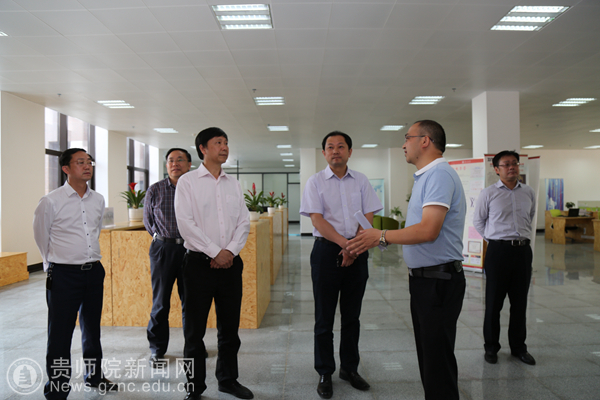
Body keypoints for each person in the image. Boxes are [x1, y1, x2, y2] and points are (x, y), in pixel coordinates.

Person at [347, 120, 466, 400]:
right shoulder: (427, 176)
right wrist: (382, 237)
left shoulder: (439, 175)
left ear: (425, 141)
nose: (403, 144)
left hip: (438, 281)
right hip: (427, 280)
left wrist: (382, 235)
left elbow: (428, 230)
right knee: (430, 358)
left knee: (437, 363)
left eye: (407, 138)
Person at [300, 131, 382, 399]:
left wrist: (354, 247)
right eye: (330, 147)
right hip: (326, 252)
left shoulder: (361, 180)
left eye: (341, 146)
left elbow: (368, 215)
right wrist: (346, 245)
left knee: (352, 317)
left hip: (358, 252)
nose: (335, 151)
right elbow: (317, 220)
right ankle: (325, 371)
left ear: (350, 151)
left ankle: (349, 368)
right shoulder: (315, 182)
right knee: (324, 318)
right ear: (324, 152)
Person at [174, 127, 253, 400]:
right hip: (197, 266)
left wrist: (229, 251)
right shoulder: (188, 182)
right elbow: (186, 224)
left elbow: (243, 222)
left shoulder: (233, 183)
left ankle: (228, 380)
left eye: (226, 142)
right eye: (218, 142)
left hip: (230, 265)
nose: (224, 147)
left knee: (229, 329)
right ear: (203, 149)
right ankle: (194, 387)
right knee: (194, 331)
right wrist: (215, 252)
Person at [33, 148, 117, 399]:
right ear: (66, 168)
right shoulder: (50, 201)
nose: (87, 166)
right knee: (60, 333)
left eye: (89, 162)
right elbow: (41, 236)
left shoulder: (98, 199)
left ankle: (94, 376)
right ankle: (58, 388)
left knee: (92, 328)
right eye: (80, 162)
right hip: (63, 275)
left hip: (93, 272)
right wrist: (51, 265)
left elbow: (95, 231)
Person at [473, 150, 537, 366]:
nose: (512, 167)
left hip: (522, 252)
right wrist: (495, 240)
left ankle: (519, 348)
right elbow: (478, 221)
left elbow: (530, 216)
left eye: (515, 163)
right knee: (494, 303)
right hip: (498, 252)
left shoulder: (528, 192)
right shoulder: (488, 193)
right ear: (496, 169)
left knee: (520, 303)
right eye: (506, 164)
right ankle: (491, 348)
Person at [144, 148, 192, 367]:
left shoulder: (195, 189)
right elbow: (148, 222)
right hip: (163, 249)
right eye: (171, 160)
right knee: (161, 302)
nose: (175, 164)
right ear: (166, 165)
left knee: (191, 303)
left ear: (189, 164)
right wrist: (163, 239)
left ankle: (192, 347)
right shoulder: (155, 189)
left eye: (180, 160)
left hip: (191, 250)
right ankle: (157, 349)